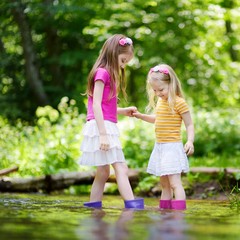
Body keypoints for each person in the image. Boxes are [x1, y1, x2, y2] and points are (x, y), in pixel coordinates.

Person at [79, 34, 144, 209]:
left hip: (104, 124)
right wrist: (103, 135)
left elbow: (105, 107)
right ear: (113, 53)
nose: (123, 65)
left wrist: (123, 111)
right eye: (123, 60)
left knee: (103, 172)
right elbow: (96, 106)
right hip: (102, 128)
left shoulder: (109, 75)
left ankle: (93, 207)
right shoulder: (102, 73)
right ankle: (132, 207)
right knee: (121, 168)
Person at [133, 64, 194, 210]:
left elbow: (189, 124)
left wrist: (190, 141)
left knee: (174, 183)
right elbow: (158, 119)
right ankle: (164, 213)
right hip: (160, 147)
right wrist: (141, 116)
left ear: (171, 84)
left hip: (172, 148)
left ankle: (179, 214)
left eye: (161, 90)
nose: (158, 93)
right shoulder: (161, 101)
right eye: (154, 90)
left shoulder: (179, 102)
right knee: (164, 184)